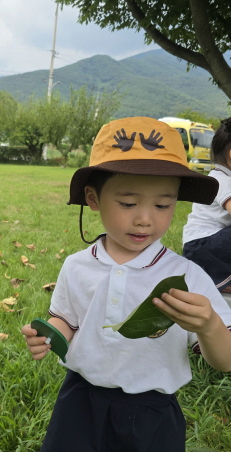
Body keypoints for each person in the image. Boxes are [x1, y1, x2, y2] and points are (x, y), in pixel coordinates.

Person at [21, 117, 231, 452]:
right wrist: (49, 333)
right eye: (128, 203)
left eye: (163, 204)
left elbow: (225, 360)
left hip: (152, 413)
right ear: (93, 198)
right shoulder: (77, 266)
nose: (145, 218)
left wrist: (208, 325)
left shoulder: (186, 277)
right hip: (80, 402)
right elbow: (68, 320)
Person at [183, 118, 231, 305]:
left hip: (210, 247)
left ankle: (218, 281)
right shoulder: (221, 180)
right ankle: (217, 281)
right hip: (201, 246)